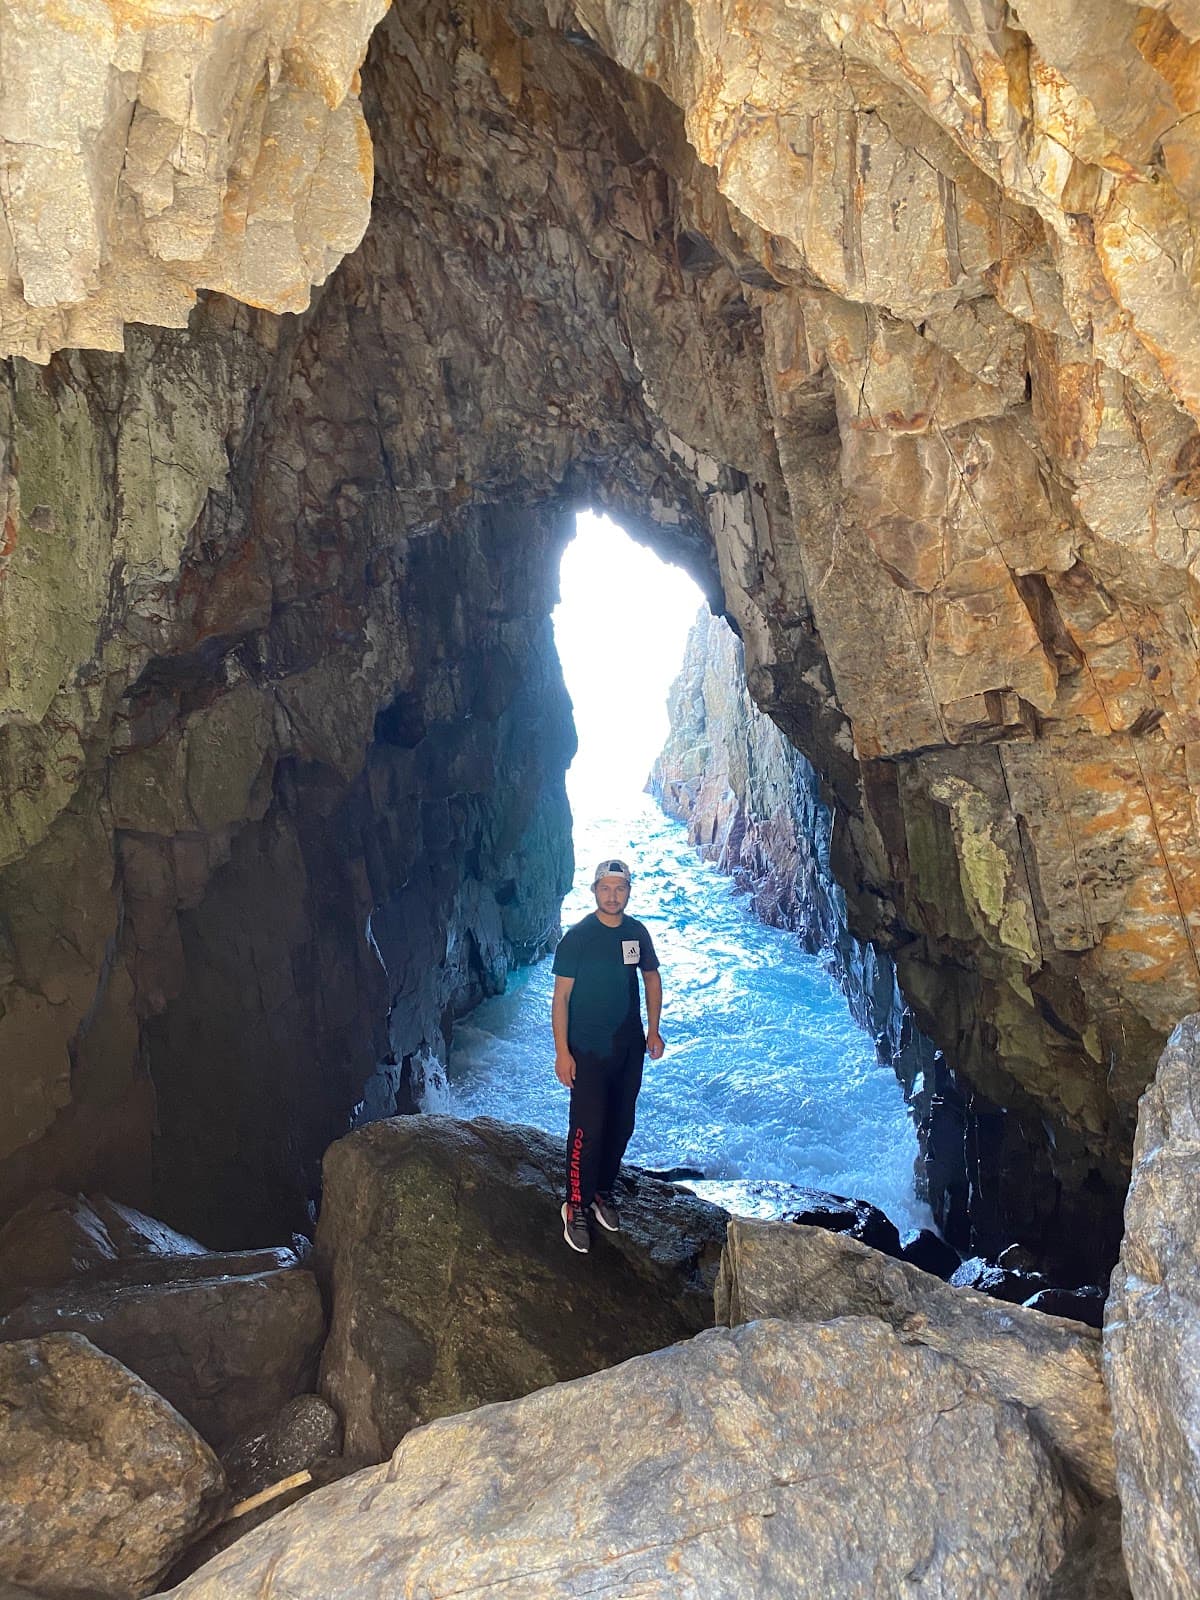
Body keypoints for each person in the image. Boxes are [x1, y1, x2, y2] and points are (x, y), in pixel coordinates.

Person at [551, 856, 664, 1253]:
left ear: (628, 892)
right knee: (588, 1129)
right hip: (587, 1049)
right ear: (595, 891)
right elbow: (561, 998)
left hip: (628, 1047)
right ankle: (575, 1205)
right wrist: (562, 1053)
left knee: (621, 1125)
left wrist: (653, 1030)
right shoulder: (579, 937)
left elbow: (651, 977)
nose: (613, 896)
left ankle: (602, 1191)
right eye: (606, 888)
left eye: (620, 889)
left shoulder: (636, 933)